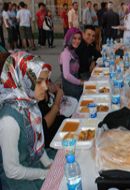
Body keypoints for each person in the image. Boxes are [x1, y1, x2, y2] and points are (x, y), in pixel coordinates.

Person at [0, 51, 53, 189]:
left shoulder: (29, 105)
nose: (46, 87)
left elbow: (37, 145)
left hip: (32, 165)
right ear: (21, 79)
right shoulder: (9, 120)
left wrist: (49, 164)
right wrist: (46, 173)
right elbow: (12, 171)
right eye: (39, 81)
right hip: (19, 180)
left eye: (46, 80)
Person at [38, 81, 66, 148]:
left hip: (60, 124)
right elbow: (44, 125)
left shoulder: (45, 85)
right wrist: (58, 97)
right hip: (52, 139)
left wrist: (55, 89)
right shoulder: (36, 98)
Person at [59, 28, 83, 100]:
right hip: (70, 89)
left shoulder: (72, 51)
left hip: (74, 85)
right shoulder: (66, 53)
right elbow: (66, 75)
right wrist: (80, 82)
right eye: (74, 38)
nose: (77, 41)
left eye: (79, 39)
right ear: (69, 38)